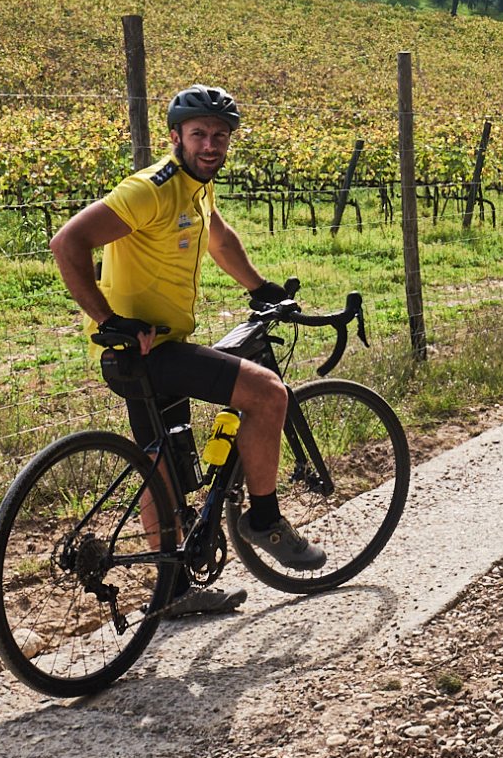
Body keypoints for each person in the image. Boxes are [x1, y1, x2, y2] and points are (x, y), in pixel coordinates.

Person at [50, 84, 324, 618]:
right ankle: (264, 519)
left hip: (152, 351)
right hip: (144, 350)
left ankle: (172, 591)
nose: (210, 145)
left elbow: (219, 240)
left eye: (219, 136)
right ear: (175, 136)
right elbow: (68, 242)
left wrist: (259, 288)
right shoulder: (152, 189)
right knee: (267, 392)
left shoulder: (198, 189)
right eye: (198, 134)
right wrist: (109, 320)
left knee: (161, 461)